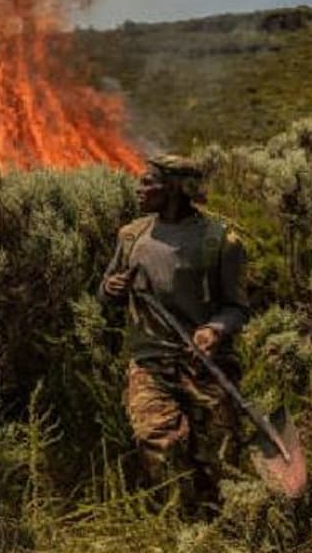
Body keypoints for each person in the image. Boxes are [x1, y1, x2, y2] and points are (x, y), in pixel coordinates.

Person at [99, 154, 250, 512]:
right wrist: (112, 288)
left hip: (206, 366)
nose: (139, 189)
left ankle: (218, 522)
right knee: (156, 442)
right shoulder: (131, 236)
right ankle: (180, 522)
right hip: (150, 364)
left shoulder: (220, 240)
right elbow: (105, 292)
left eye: (148, 183)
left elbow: (237, 308)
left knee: (218, 459)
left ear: (175, 189)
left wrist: (214, 330)